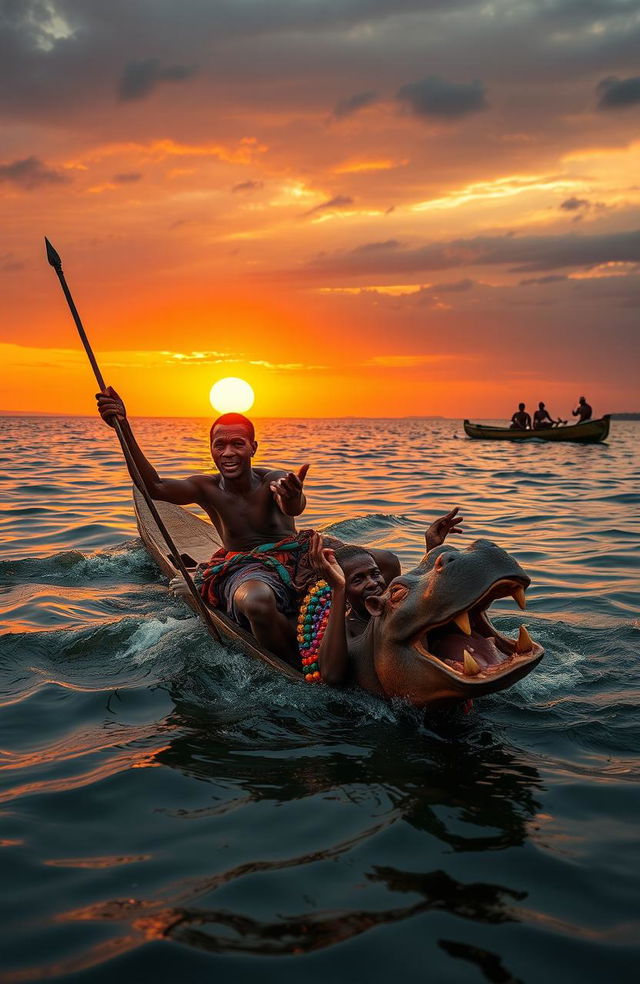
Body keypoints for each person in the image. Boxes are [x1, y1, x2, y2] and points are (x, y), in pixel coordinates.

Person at [96, 387, 397, 664]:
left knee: (387, 561)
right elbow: (155, 487)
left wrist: (293, 496)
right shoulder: (206, 487)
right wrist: (123, 427)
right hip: (246, 565)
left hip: (300, 550)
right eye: (220, 445)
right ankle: (294, 662)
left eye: (238, 444)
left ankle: (375, 631)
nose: (228, 453)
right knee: (256, 601)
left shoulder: (272, 479)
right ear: (211, 449)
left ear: (253, 447)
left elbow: (292, 504)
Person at [308, 508, 464, 686]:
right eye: (358, 579)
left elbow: (427, 600)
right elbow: (332, 676)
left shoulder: (395, 606)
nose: (373, 583)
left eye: (375, 574)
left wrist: (432, 548)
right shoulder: (347, 627)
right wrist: (338, 588)